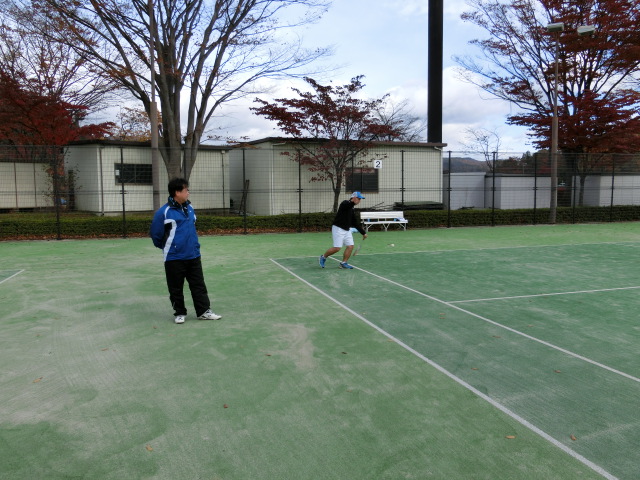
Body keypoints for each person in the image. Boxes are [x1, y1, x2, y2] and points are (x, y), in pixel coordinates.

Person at [150, 178, 222, 324]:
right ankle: (180, 313)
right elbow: (156, 235)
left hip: (193, 254)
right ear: (177, 192)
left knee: (198, 285)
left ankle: (203, 311)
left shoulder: (190, 208)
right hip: (173, 257)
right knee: (175, 287)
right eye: (186, 190)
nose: (188, 192)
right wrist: (170, 247)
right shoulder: (164, 212)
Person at [319, 191, 368, 269]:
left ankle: (344, 263)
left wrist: (363, 233)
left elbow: (354, 223)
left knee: (350, 246)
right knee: (337, 248)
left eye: (360, 199)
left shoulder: (352, 209)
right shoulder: (345, 203)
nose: (359, 201)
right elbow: (348, 205)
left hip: (347, 230)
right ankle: (323, 257)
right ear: (354, 198)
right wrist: (352, 202)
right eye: (359, 199)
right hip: (338, 228)